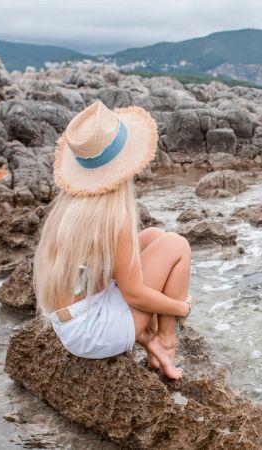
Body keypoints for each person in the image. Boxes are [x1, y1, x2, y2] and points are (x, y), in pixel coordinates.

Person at [33, 101, 192, 380]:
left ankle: (150, 335)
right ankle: (165, 343)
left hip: (74, 326)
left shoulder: (70, 211)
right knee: (177, 245)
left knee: (153, 237)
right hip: (96, 335)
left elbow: (99, 277)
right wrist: (181, 308)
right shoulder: (115, 217)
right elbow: (134, 294)